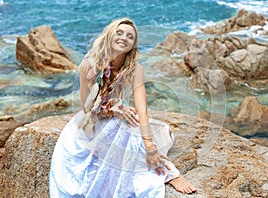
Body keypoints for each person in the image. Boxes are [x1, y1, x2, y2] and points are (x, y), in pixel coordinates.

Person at [49, 17, 197, 197]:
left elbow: (142, 108)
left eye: (129, 36)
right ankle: (169, 173)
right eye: (119, 33)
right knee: (124, 133)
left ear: (133, 45)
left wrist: (150, 147)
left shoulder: (135, 69)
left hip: (118, 115)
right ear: (109, 36)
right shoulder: (89, 64)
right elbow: (87, 108)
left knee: (137, 128)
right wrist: (113, 109)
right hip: (91, 122)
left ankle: (169, 174)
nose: (123, 38)